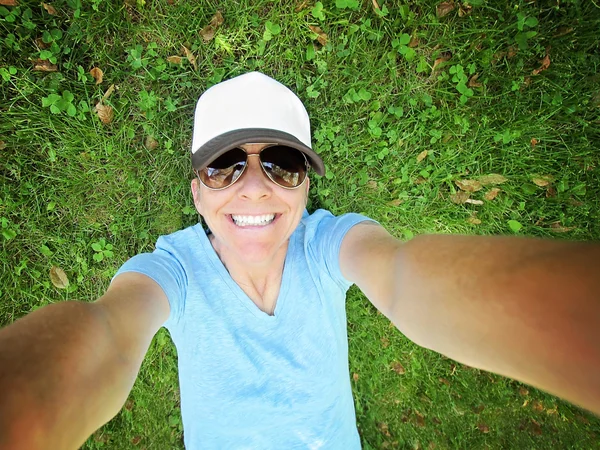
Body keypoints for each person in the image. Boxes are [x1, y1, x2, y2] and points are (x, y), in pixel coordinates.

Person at [0, 72, 599, 450]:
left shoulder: (326, 246)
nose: (255, 188)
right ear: (197, 194)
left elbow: (403, 276)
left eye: (280, 163)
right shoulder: (173, 272)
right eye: (224, 165)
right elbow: (106, 331)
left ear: (305, 188)